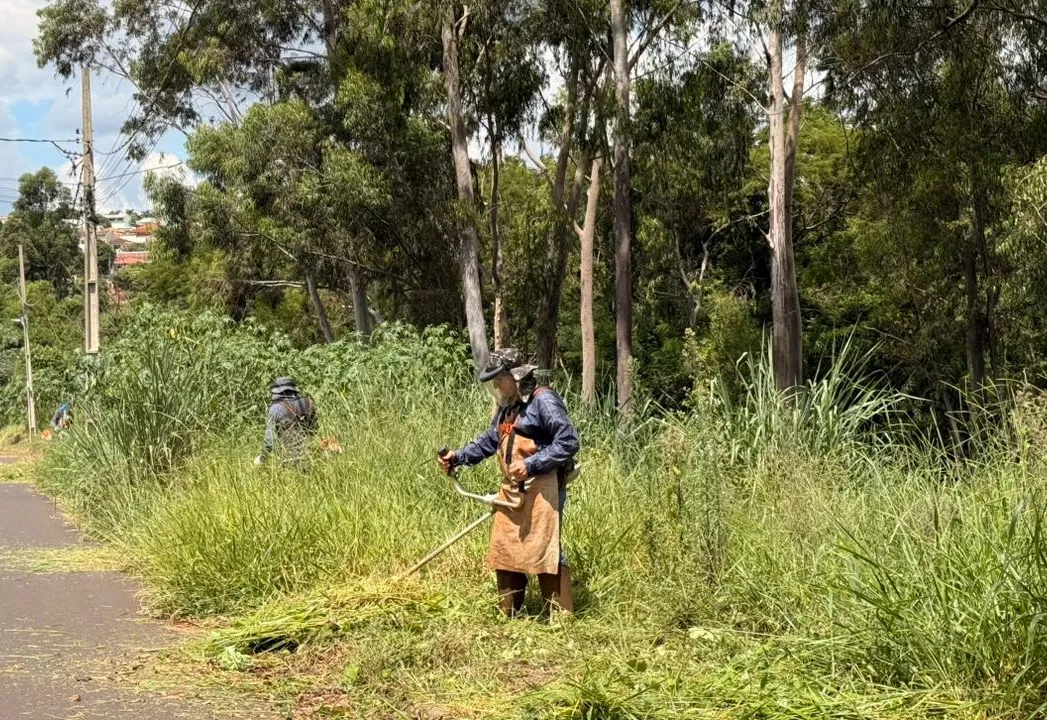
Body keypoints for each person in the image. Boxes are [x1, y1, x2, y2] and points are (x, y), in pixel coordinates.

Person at [439, 348, 580, 617]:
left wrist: (530, 464)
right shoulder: (509, 406)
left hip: (544, 487)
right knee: (505, 547)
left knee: (545, 546)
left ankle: (561, 616)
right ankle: (510, 614)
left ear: (515, 377)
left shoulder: (544, 400)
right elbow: (491, 440)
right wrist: (459, 457)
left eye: (498, 380)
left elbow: (568, 442)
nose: (495, 386)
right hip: (512, 489)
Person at [255, 377, 318, 465]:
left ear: (277, 392)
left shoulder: (275, 409)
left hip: (288, 459)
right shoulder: (309, 403)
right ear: (293, 390)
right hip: (312, 456)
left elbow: (270, 441)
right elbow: (314, 430)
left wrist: (262, 457)